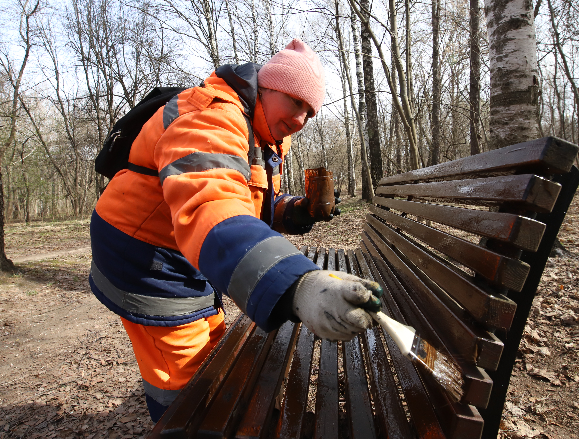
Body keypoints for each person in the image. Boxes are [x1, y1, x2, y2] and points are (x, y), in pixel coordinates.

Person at [88, 39, 382, 422]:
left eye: (310, 113)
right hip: (146, 257)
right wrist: (297, 284)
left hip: (189, 251)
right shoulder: (212, 116)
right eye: (295, 102)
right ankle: (183, 424)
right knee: (184, 378)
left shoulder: (262, 135)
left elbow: (249, 204)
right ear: (266, 86)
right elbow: (211, 206)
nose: (300, 120)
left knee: (213, 348)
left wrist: (296, 210)